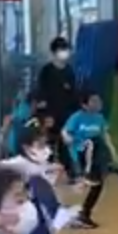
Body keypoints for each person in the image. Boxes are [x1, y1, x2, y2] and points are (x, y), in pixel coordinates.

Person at [63, 88, 116, 229]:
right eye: (93, 101)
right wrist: (68, 138)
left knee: (97, 185)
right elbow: (65, 132)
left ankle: (83, 214)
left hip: (94, 155)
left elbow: (105, 136)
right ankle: (81, 210)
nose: (98, 103)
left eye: (98, 100)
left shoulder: (100, 118)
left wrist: (113, 152)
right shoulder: (77, 117)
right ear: (84, 105)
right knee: (92, 142)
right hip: (80, 152)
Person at [35, 37, 81, 179]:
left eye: (66, 50)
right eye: (61, 50)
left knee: (65, 142)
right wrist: (44, 111)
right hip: (50, 112)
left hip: (66, 112)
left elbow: (73, 92)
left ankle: (69, 171)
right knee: (48, 142)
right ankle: (45, 171)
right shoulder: (47, 71)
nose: (65, 53)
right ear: (54, 52)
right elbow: (41, 91)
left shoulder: (69, 71)